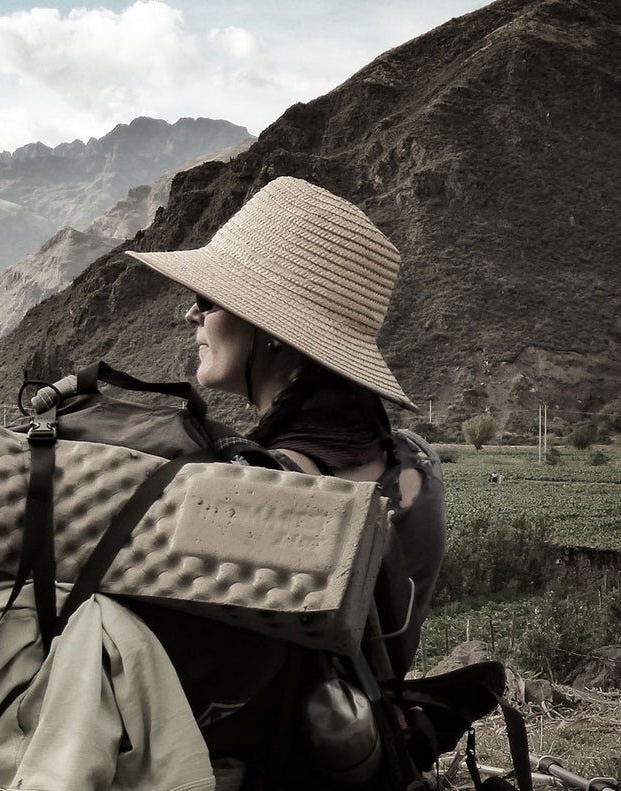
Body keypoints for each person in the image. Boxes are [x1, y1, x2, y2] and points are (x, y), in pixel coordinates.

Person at [124, 175, 445, 628]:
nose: (190, 314)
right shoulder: (416, 463)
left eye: (206, 299)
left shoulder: (262, 490)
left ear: (272, 331)